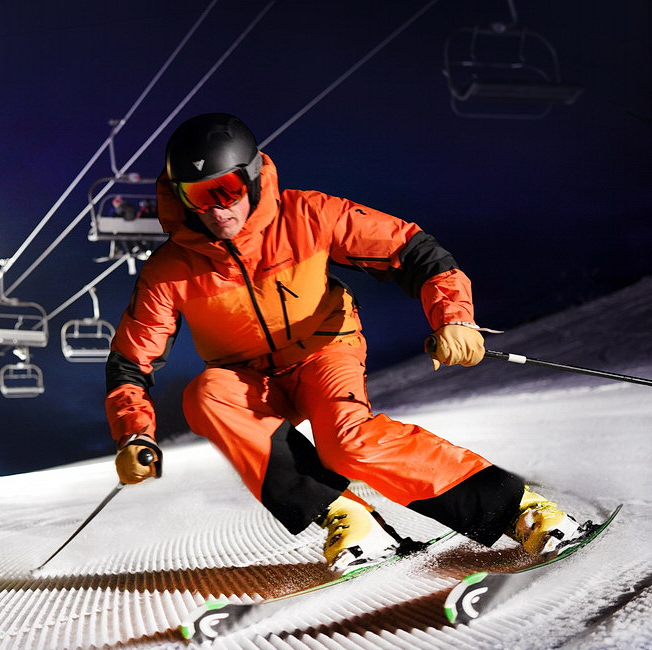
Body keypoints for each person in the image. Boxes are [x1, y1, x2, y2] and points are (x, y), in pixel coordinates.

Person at [105, 112, 582, 574]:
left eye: (227, 189)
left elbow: (413, 250)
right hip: (250, 379)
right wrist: (134, 434)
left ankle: (521, 509)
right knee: (204, 395)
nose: (218, 208)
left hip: (323, 349)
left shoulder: (308, 216)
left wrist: (454, 318)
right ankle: (348, 518)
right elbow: (131, 361)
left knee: (346, 442)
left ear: (250, 179)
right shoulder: (168, 271)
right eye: (198, 195)